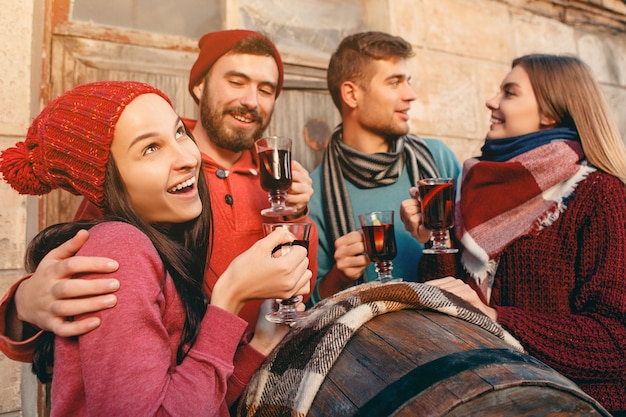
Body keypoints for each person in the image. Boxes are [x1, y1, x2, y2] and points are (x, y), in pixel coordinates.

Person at [0, 30, 318, 357]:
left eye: (265, 90)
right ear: (199, 85)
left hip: (262, 372)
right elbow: (76, 319)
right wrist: (23, 304)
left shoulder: (276, 178)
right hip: (183, 387)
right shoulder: (147, 177)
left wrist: (295, 214)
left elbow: (301, 292)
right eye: (236, 82)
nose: (251, 100)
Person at [403, 54, 626, 415]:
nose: (492, 101)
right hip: (496, 399)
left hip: (579, 407)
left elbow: (617, 342)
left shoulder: (599, 194)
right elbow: (450, 309)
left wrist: (497, 319)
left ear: (549, 113)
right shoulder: (476, 188)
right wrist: (435, 238)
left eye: (509, 92)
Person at [307, 31, 461, 304]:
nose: (410, 95)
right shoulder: (313, 192)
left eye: (408, 82)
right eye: (394, 83)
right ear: (351, 94)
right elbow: (307, 308)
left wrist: (440, 235)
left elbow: (479, 264)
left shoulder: (438, 161)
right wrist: (339, 277)